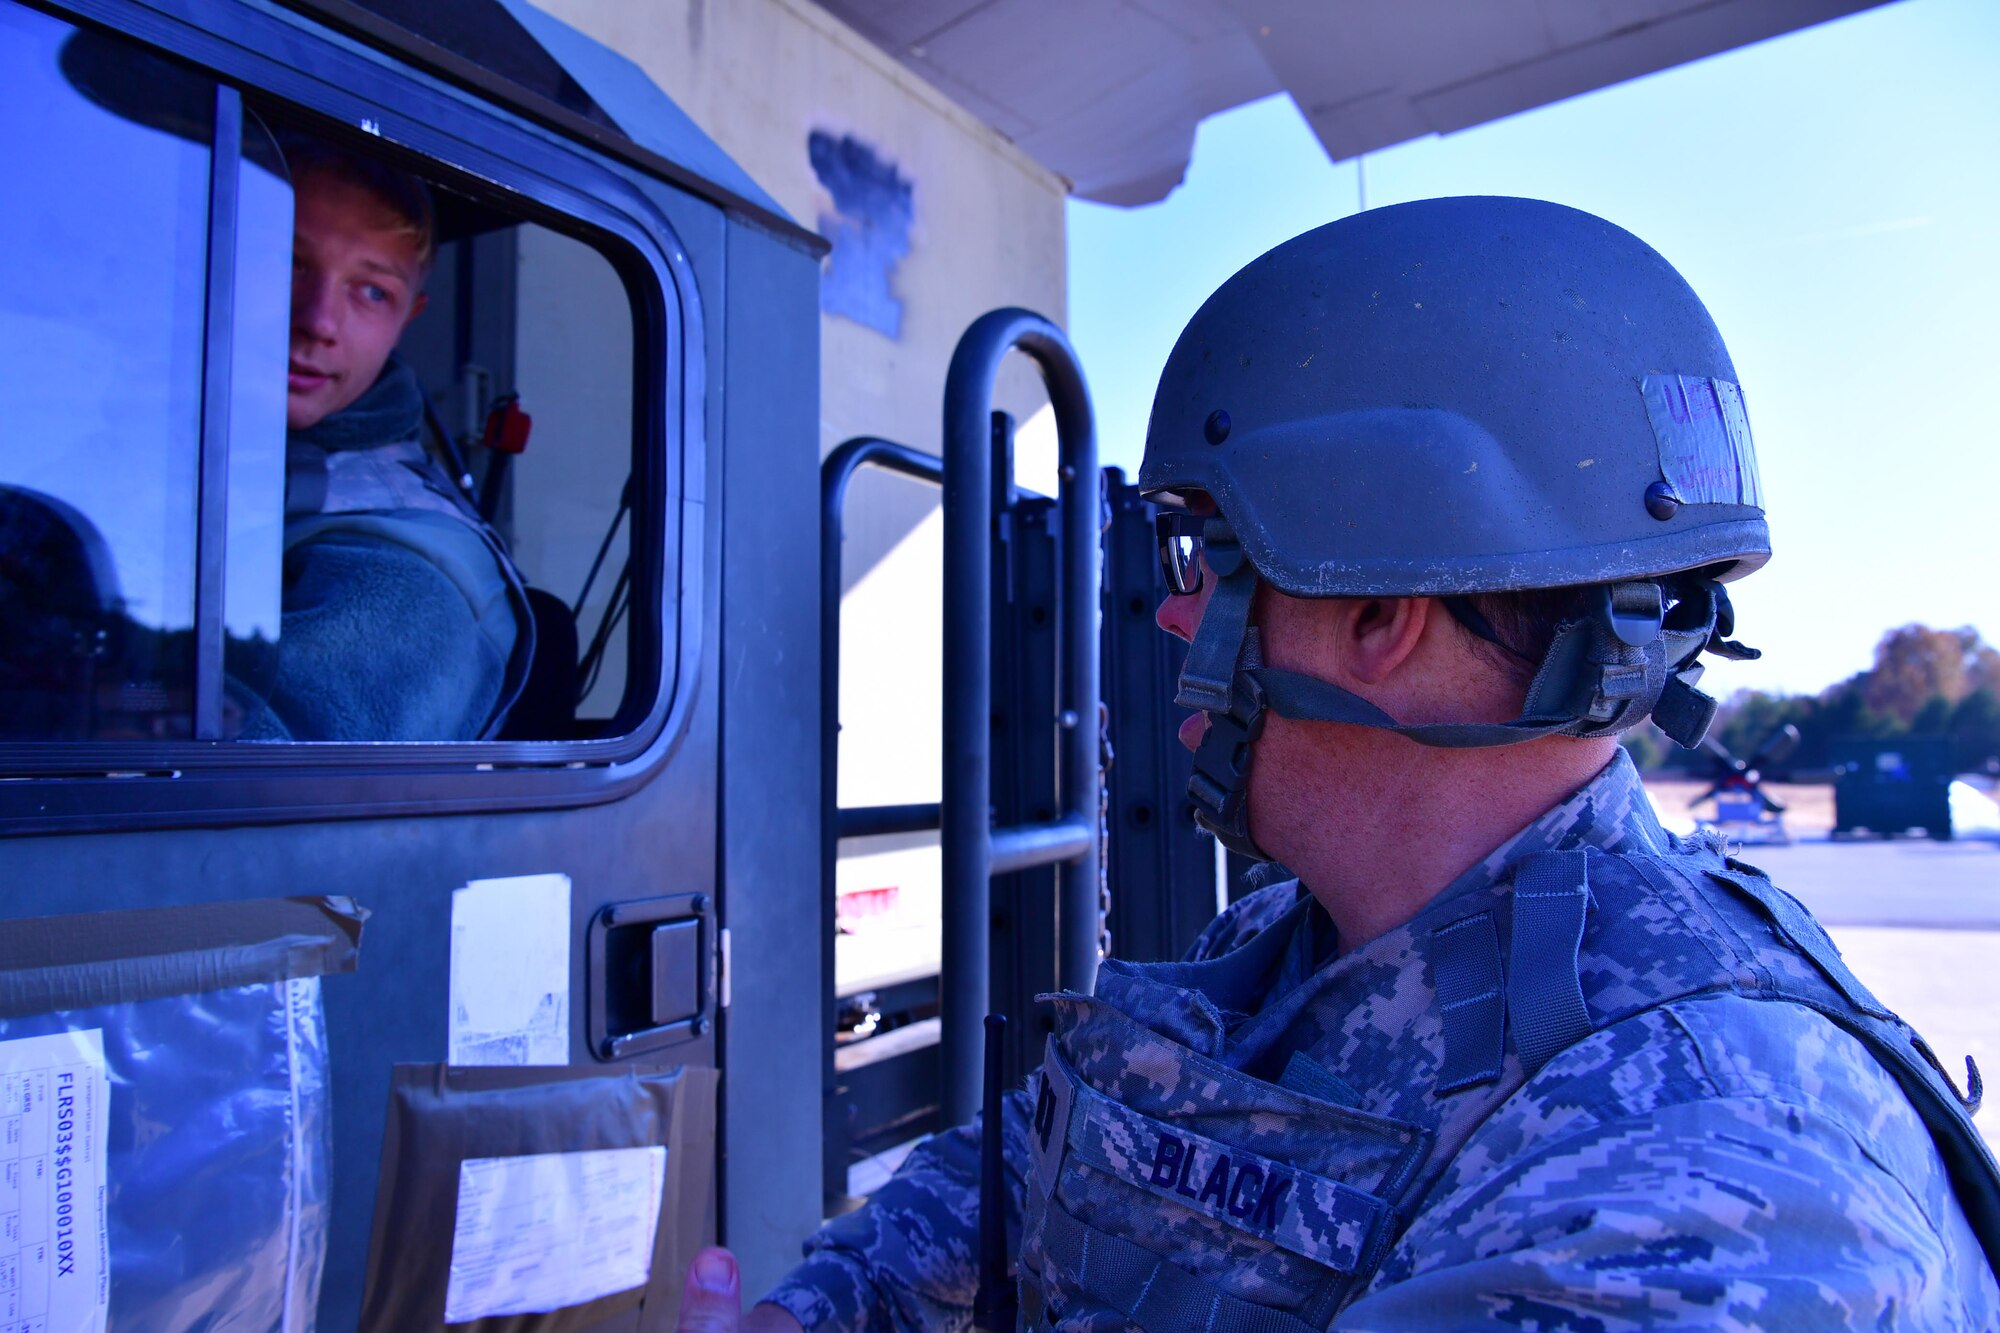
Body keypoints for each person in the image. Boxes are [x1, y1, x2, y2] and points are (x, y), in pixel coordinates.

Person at [679, 197, 2000, 1331]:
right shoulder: (1304, 940)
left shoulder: (1701, 1197)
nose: (1170, 613)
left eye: (1203, 557)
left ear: (1377, 615)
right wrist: (824, 1306)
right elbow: (1047, 1158)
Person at [233, 136, 529, 741]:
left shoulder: (414, 581)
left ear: (407, 320)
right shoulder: (141, 446)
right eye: (287, 261)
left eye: (372, 292)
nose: (317, 320)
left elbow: (244, 811)